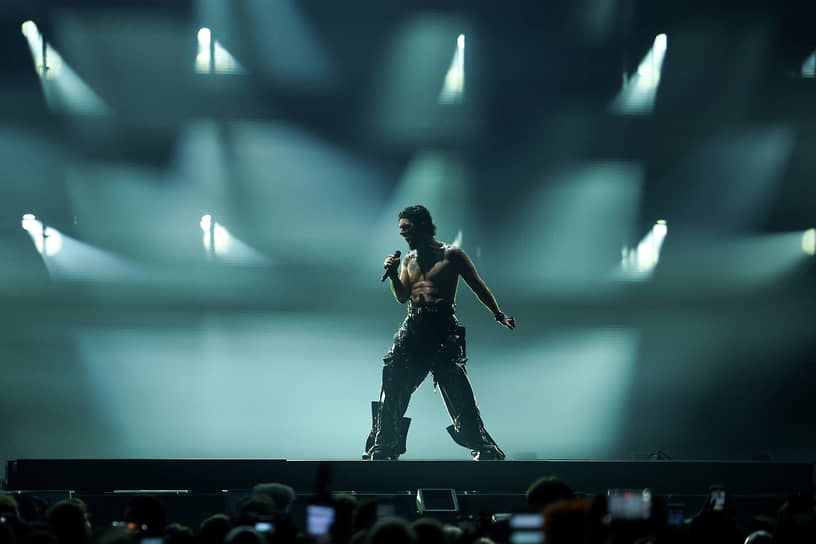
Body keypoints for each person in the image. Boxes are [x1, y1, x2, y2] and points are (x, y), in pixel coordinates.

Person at [364, 205, 515, 461]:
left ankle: (482, 444)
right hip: (414, 327)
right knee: (394, 379)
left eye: (407, 228)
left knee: (457, 389)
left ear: (422, 226)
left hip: (442, 328)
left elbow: (477, 285)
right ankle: (384, 442)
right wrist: (393, 276)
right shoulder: (409, 260)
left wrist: (497, 313)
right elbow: (403, 296)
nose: (403, 233)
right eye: (401, 229)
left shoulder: (452, 255)